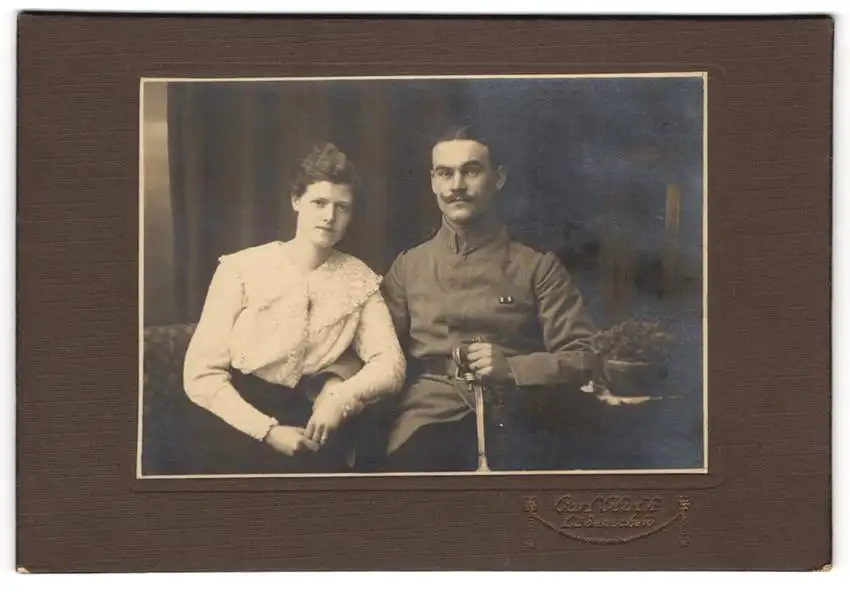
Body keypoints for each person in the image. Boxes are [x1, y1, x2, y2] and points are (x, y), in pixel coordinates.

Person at [380, 125, 598, 473]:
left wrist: (512, 368)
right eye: (445, 173)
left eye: (471, 170)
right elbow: (375, 350)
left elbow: (585, 356)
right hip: (431, 417)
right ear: (433, 182)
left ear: (498, 178)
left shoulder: (536, 265)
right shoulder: (409, 266)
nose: (457, 186)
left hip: (522, 417)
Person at [181, 142, 406, 475]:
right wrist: (267, 431)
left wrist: (340, 399)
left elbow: (391, 364)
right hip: (236, 414)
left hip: (314, 417)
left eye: (342, 207)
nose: (330, 217)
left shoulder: (360, 279)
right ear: (296, 201)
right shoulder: (241, 268)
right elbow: (200, 375)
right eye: (319, 203)